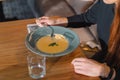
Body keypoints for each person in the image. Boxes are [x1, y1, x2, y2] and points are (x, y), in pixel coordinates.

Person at [36, 0, 119, 79]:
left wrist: (107, 72)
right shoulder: (106, 2)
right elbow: (87, 17)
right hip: (103, 61)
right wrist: (57, 21)